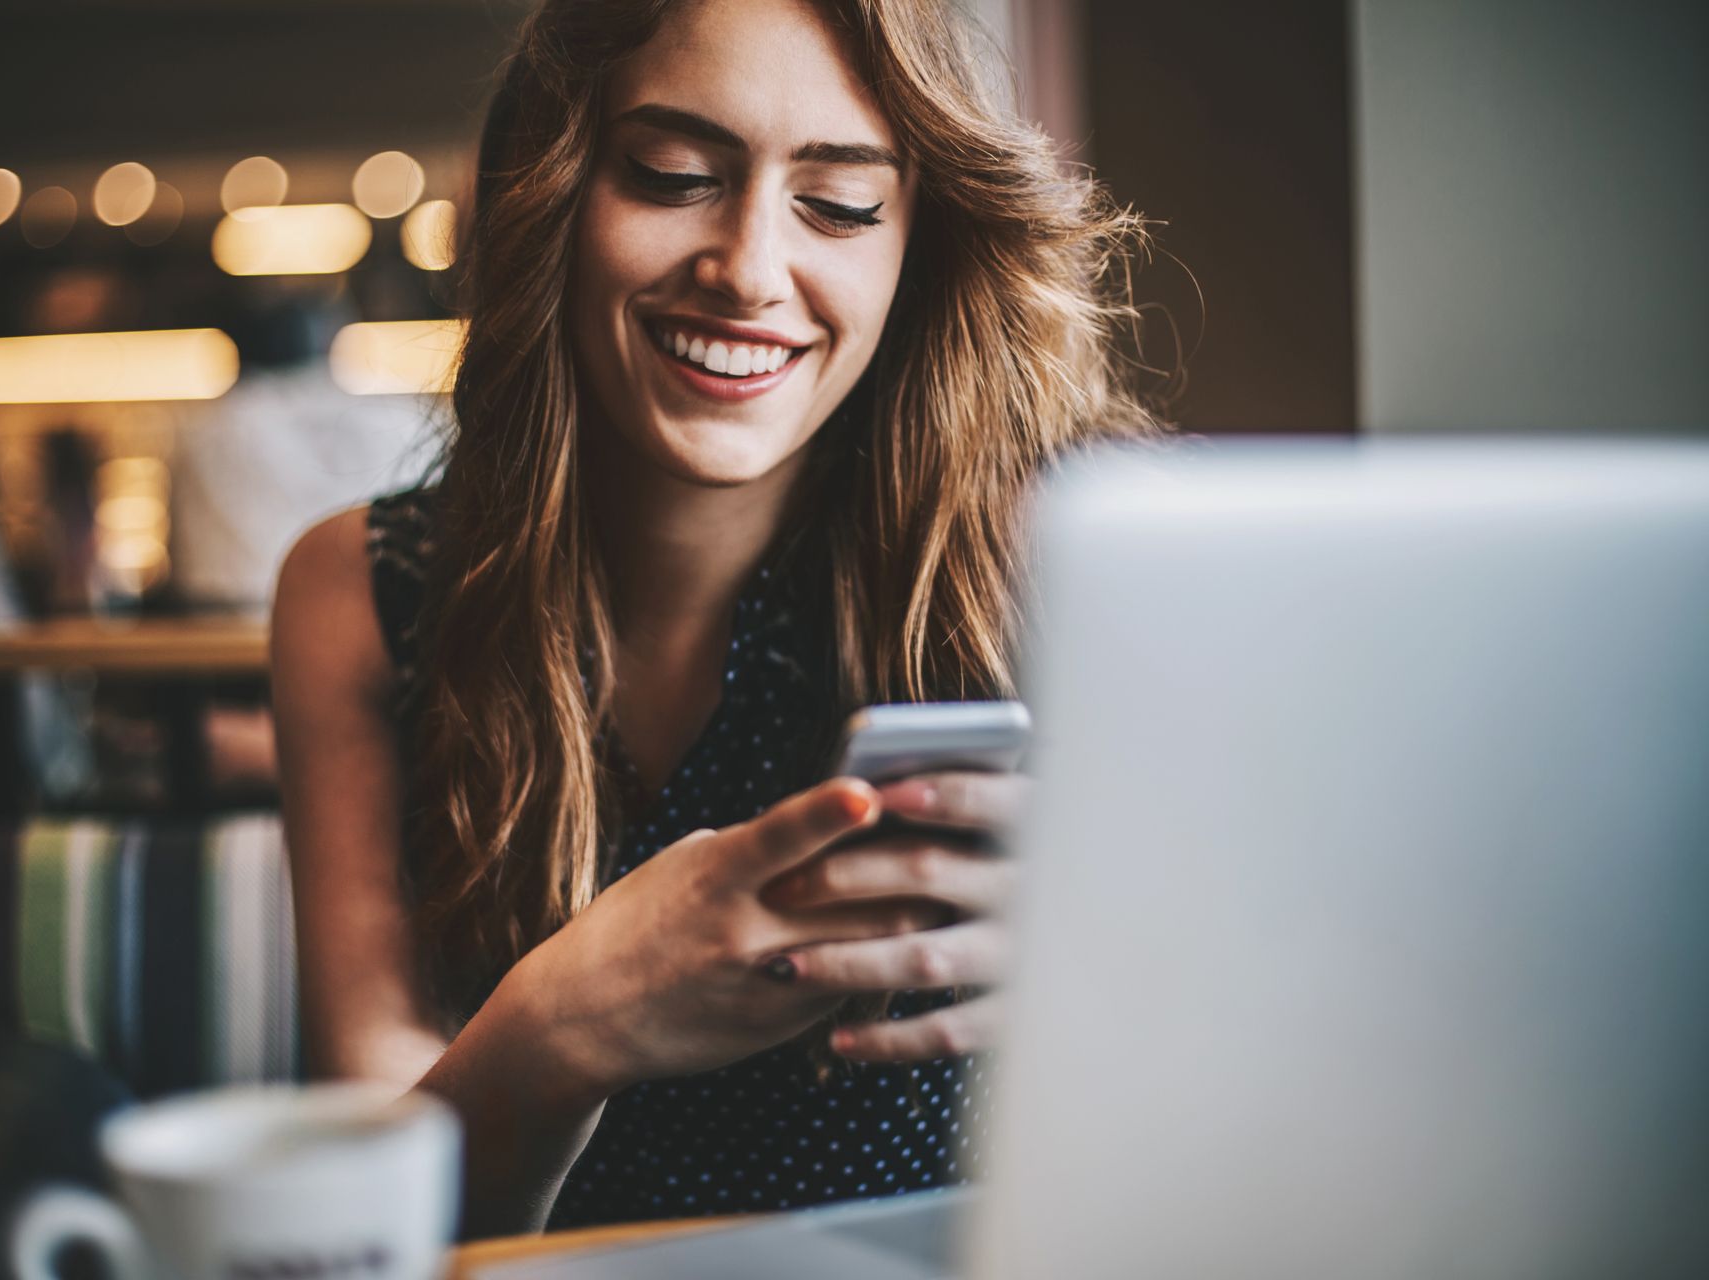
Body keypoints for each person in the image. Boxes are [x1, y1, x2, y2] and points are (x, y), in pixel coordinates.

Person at [270, 0, 1158, 1238]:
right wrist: (561, 1024)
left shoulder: (1044, 570)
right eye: (674, 176)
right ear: (554, 192)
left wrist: (1136, 954)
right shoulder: (359, 591)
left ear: (917, 245)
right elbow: (373, 1224)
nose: (747, 269)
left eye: (841, 205)